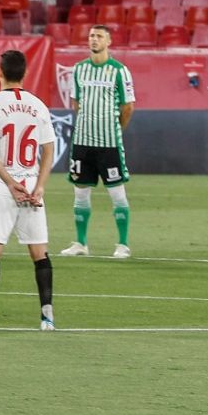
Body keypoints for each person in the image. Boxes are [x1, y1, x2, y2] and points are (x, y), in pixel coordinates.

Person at [0, 49, 57, 331]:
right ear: (25, 73)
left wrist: (8, 182)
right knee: (39, 251)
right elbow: (49, 149)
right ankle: (47, 318)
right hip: (30, 184)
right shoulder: (38, 105)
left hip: (0, 185)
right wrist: (39, 186)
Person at [59, 25, 137, 259]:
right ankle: (80, 243)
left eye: (99, 36)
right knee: (80, 193)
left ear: (109, 41)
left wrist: (115, 129)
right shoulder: (80, 69)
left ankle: (122, 244)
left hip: (109, 144)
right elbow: (76, 103)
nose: (94, 39)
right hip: (82, 143)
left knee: (117, 193)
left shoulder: (119, 71)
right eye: (92, 36)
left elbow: (128, 107)